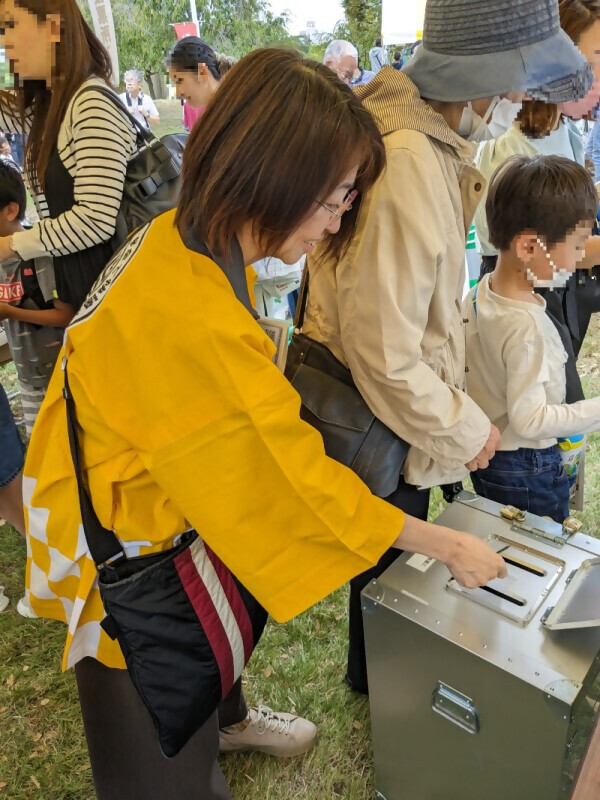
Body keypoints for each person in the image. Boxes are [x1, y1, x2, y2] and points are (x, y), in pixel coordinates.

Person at [24, 48, 506, 800]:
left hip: (128, 512)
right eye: (336, 196)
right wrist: (441, 541)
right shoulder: (193, 318)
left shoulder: (186, 237)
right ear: (274, 176)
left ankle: (226, 720)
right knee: (161, 759)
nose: (342, 216)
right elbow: (293, 482)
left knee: (193, 697)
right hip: (126, 566)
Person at [301, 0, 593, 695]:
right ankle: (383, 683)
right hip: (381, 413)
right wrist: (465, 427)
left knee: (389, 550)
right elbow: (385, 349)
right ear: (486, 72)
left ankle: (380, 675)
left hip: (392, 409)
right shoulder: (408, 162)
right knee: (388, 547)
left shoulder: (420, 142)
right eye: (517, 80)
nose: (520, 99)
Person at [475, 0, 600, 409]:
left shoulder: (566, 129)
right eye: (596, 59)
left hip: (561, 294)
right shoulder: (506, 143)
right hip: (527, 301)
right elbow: (513, 252)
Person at [465, 155, 600, 522]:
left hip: (493, 456)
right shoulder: (525, 328)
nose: (578, 260)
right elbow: (530, 419)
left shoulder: (483, 290)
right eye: (575, 247)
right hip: (525, 465)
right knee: (539, 545)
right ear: (528, 247)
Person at [0, 0, 140, 312]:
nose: (5, 42)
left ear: (51, 27)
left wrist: (10, 245)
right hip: (90, 298)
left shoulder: (90, 102)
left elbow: (95, 220)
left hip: (123, 300)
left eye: (10, 26)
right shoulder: (50, 106)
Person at [0, 160, 74, 436]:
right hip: (28, 379)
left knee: (68, 449)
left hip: (60, 375)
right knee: (43, 454)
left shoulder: (38, 253)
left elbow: (65, 315)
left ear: (11, 210)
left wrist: (11, 313)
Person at [167, 36, 236, 110]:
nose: (178, 93)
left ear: (202, 72)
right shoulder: (219, 111)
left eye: (179, 80)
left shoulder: (236, 110)